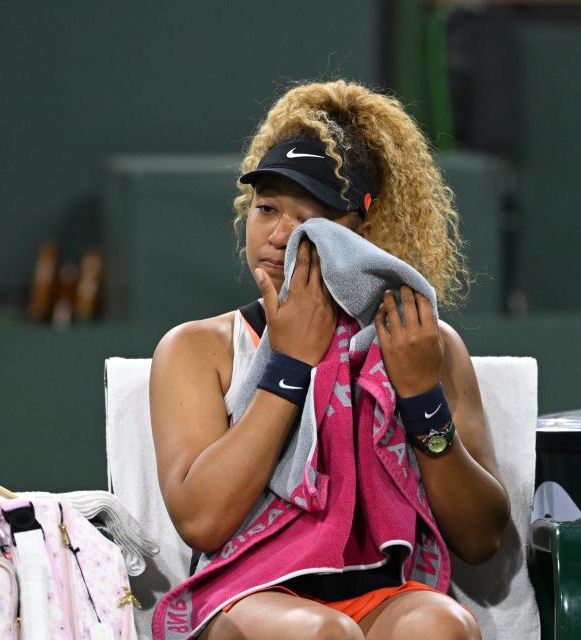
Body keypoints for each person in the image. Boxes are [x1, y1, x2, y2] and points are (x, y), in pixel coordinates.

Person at [148, 80, 510, 640]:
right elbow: (203, 521)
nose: (278, 236)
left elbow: (480, 538)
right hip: (246, 594)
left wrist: (420, 397)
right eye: (266, 208)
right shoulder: (197, 347)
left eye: (310, 219)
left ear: (358, 236)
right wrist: (289, 365)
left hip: (380, 589)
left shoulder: (422, 343)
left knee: (443, 624)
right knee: (325, 635)